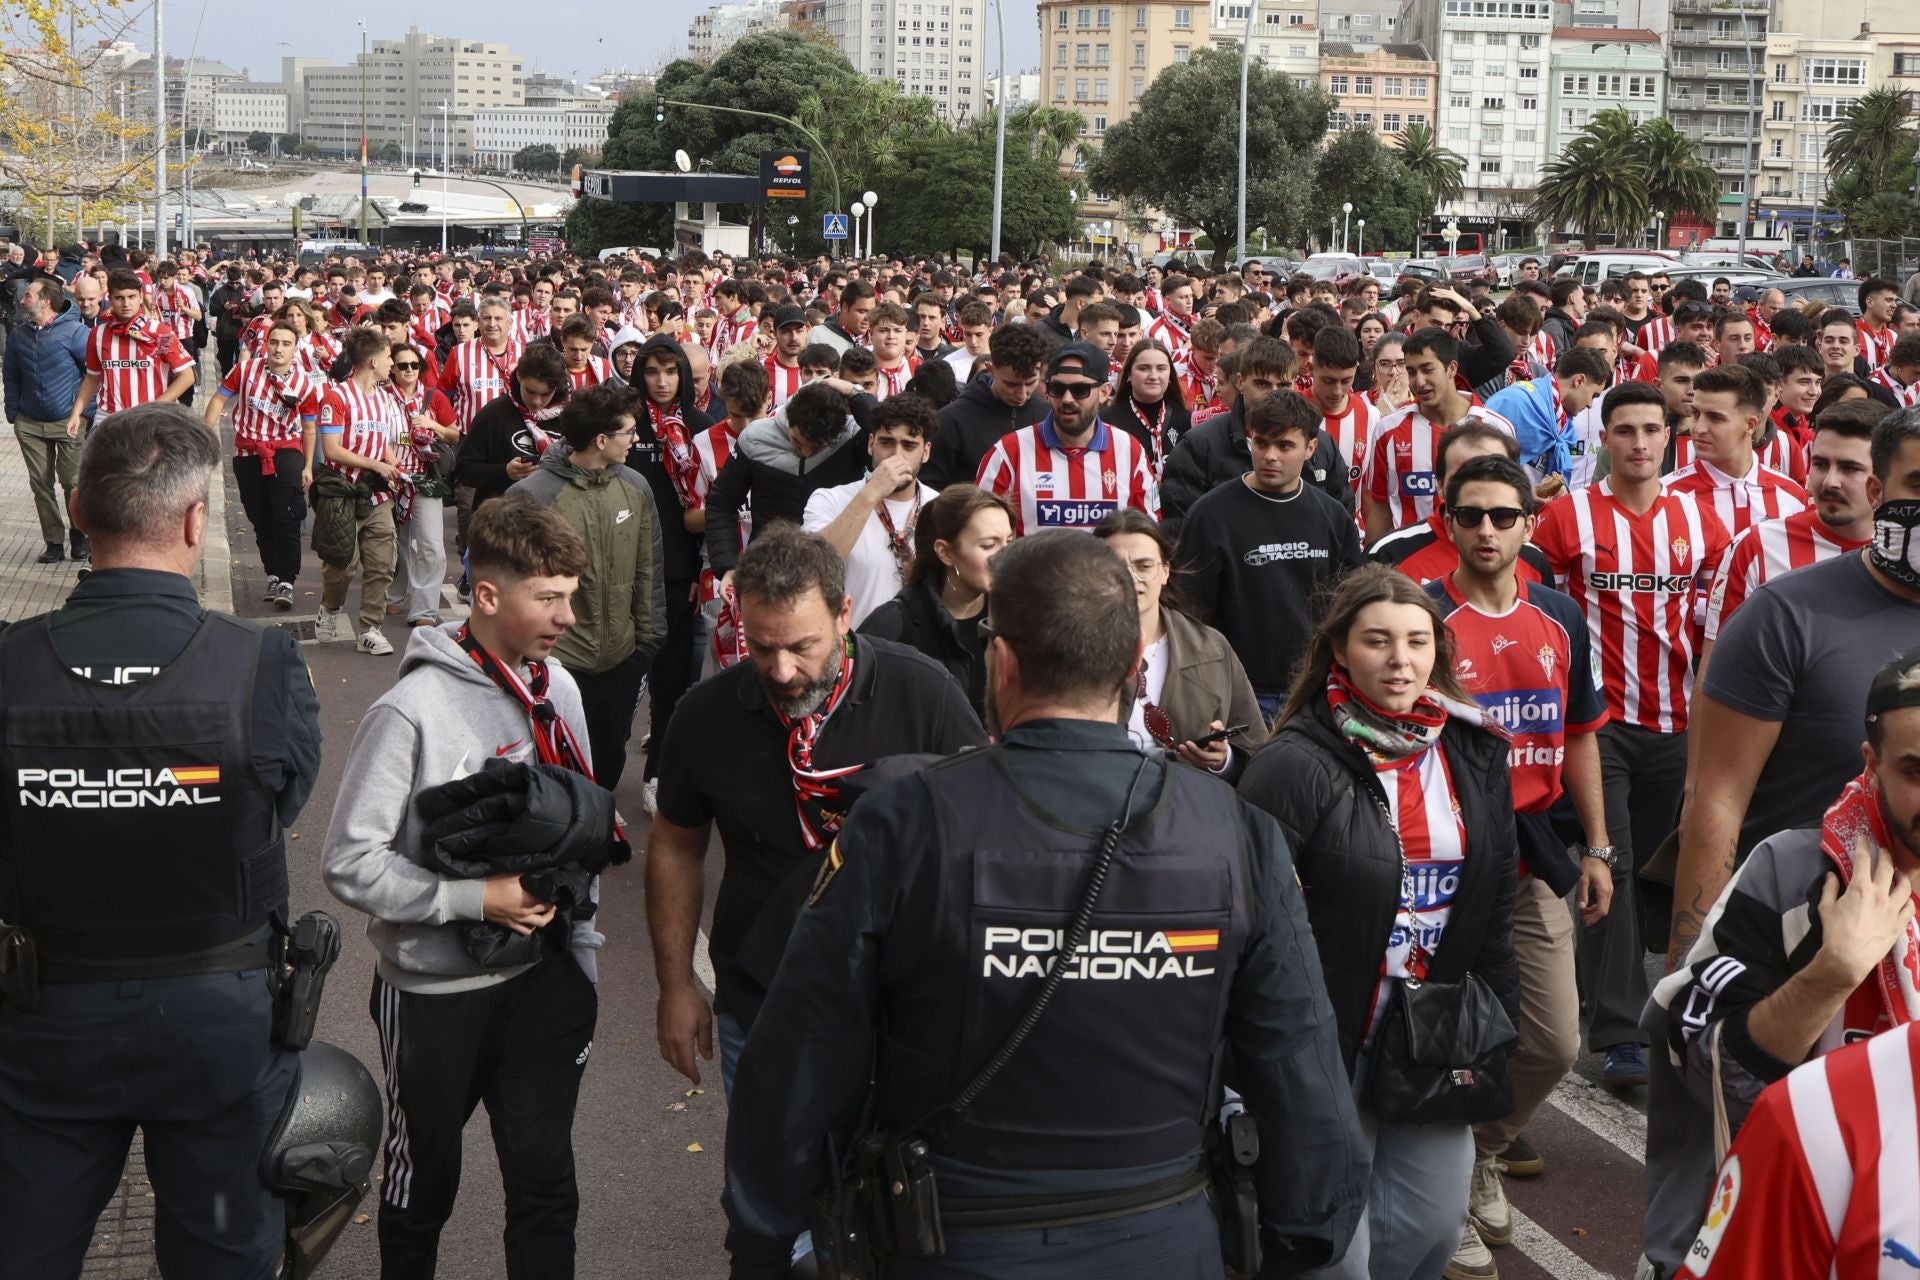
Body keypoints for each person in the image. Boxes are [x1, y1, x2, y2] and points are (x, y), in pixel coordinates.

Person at [723, 530, 1368, 1279]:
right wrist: (1297, 1240)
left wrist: (766, 1239)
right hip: (1162, 1234)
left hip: (953, 1238)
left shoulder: (905, 822)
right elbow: (1300, 1065)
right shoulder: (1237, 833)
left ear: (1002, 662)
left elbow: (802, 1055)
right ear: (1133, 667)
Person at [0, 403, 321, 1280]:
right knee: (223, 1253)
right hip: (217, 1027)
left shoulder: (9, 662)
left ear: (75, 511)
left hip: (41, 1027)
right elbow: (282, 800)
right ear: (194, 519)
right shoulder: (259, 665)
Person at [323, 495, 615, 1280]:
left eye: (570, 594)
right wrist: (474, 900)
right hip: (434, 996)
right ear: (488, 596)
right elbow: (350, 860)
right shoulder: (409, 708)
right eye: (548, 597)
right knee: (425, 1188)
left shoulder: (562, 691)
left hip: (544, 982)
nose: (567, 614)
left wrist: (580, 953)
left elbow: (582, 832)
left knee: (546, 1181)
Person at [1237, 564, 1520, 1280]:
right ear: (1339, 650)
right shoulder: (1291, 765)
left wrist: (1496, 1019)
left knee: (1430, 1229)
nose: (1401, 661)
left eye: (1418, 642)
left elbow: (1492, 901)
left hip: (1434, 1033)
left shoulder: (1474, 748)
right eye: (1378, 641)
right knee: (1336, 1254)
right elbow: (1249, 920)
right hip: (1328, 1033)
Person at [646, 527, 988, 1093]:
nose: (781, 672)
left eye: (802, 647)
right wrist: (676, 985)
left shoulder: (924, 692)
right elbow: (677, 845)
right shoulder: (706, 716)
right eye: (761, 648)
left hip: (898, 1008)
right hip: (760, 1001)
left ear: (844, 614)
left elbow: (986, 829)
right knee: (765, 1180)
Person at [1645, 652, 1920, 1280]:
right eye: (1917, 771)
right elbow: (1711, 1075)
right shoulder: (1793, 873)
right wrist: (1832, 973)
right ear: (1871, 764)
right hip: (1773, 1233)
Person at [1424, 454, 1615, 1278]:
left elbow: (1579, 737)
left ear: (1530, 526)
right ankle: (1435, 1191)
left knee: (1552, 1043)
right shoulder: (1419, 617)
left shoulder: (1562, 617)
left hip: (1535, 856)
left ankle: (1478, 1157)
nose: (1489, 530)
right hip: (1441, 860)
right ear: (1448, 521)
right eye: (1473, 516)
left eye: (1505, 516)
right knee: (1432, 1039)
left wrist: (1599, 849)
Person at [1666, 407, 1920, 966]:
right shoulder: (1784, 615)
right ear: (1878, 491)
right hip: (1792, 949)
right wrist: (1690, 976)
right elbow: (1719, 803)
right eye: (1918, 485)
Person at [1532, 381, 1730, 1086]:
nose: (1641, 443)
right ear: (1604, 438)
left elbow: (1714, 627)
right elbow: (1538, 603)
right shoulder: (1566, 517)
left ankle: (1647, 994)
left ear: (1668, 437)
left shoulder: (1702, 520)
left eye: (1652, 429)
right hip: (1599, 727)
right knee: (1607, 863)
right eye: (1626, 431)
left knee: (1655, 874)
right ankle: (1618, 1033)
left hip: (1679, 722)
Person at [509, 382, 668, 791]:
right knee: (553, 764)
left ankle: (595, 830)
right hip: (557, 661)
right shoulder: (532, 495)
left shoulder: (636, 487)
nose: (636, 439)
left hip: (621, 658)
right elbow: (508, 584)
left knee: (609, 758)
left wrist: (647, 642)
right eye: (629, 432)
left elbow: (649, 568)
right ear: (601, 440)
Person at [1174, 391, 1363, 721]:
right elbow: (1191, 613)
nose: (1270, 456)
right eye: (1261, 443)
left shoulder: (1332, 517)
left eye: (1285, 446)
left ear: (1311, 448)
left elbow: (1351, 605)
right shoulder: (1210, 515)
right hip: (1240, 689)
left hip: (1314, 687)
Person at [1093, 506, 1267, 778]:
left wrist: (1223, 760)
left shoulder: (1211, 648)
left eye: (1144, 566)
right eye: (1115, 568)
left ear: (1165, 572)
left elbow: (1256, 749)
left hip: (1190, 809)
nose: (1131, 578)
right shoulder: (1069, 648)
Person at [1704, 398, 1882, 645]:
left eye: (1849, 468)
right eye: (1820, 464)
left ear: (1883, 476)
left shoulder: (1908, 555)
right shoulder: (1757, 547)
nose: (1830, 481)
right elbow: (1718, 672)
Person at [1160, 337, 1356, 539]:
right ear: (1240, 382)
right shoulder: (1199, 445)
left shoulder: (1320, 444)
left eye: (1282, 384)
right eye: (1262, 384)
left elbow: (1342, 521)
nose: (1273, 394)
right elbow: (1181, 530)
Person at [858, 484, 1012, 717]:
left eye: (1009, 542)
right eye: (989, 545)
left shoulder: (1018, 618)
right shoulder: (892, 626)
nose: (1006, 556)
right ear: (945, 552)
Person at [203, 318, 324, 610]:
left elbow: (309, 428)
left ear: (296, 349)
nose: (278, 349)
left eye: (286, 344)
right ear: (266, 343)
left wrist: (308, 466)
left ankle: (287, 579)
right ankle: (272, 573)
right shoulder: (245, 370)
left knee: (287, 515)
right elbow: (219, 400)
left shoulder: (305, 385)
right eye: (274, 342)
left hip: (286, 451)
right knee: (260, 518)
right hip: (248, 453)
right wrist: (206, 437)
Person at [975, 342, 1157, 534]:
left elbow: (1149, 532)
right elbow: (981, 532)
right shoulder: (1009, 452)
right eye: (1057, 389)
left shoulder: (1129, 451)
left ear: (1104, 392)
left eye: (1080, 390)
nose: (1067, 399)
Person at [1362, 329, 1514, 543]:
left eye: (1427, 370)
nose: (1419, 381)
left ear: (1452, 368)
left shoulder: (1496, 429)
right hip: (1410, 567)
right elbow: (1380, 508)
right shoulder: (1387, 430)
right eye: (1412, 371)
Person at [802, 392, 940, 626]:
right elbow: (812, 566)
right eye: (887, 442)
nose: (896, 455)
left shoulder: (941, 507)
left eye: (909, 445)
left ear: (925, 452)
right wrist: (871, 493)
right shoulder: (829, 499)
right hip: (853, 647)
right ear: (870, 444)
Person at [4, 276, 92, 564]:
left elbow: (93, 376)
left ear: (45, 301)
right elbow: (11, 375)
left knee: (72, 482)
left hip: (68, 421)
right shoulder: (19, 334)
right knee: (40, 484)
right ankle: (53, 542)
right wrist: (13, 413)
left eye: (28, 295)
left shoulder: (76, 333)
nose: (21, 299)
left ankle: (79, 535)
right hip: (30, 424)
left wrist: (84, 414)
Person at [922, 322, 1051, 489]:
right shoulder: (951, 420)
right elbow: (930, 487)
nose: (1021, 394)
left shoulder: (1048, 416)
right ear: (990, 369)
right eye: (1011, 384)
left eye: (1030, 383)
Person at [385, 339, 460, 628]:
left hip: (426, 481)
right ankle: (396, 593)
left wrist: (433, 426)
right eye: (402, 365)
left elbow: (453, 435)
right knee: (396, 544)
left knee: (431, 546)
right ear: (391, 369)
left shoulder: (435, 397)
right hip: (391, 479)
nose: (408, 370)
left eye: (414, 365)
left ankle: (424, 611)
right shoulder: (381, 397)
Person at [66, 268, 195, 435]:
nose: (126, 304)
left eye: (131, 297)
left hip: (151, 419)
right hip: (108, 417)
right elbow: (92, 377)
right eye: (119, 298)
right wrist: (76, 413)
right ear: (109, 299)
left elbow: (187, 376)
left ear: (141, 297)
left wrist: (153, 409)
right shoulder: (97, 333)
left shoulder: (160, 332)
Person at [1101, 337, 1192, 476]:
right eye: (1144, 368)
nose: (1153, 376)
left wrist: (1168, 486)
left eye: (1161, 368)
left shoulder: (1186, 420)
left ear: (1170, 376)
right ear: (1129, 375)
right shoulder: (1107, 421)